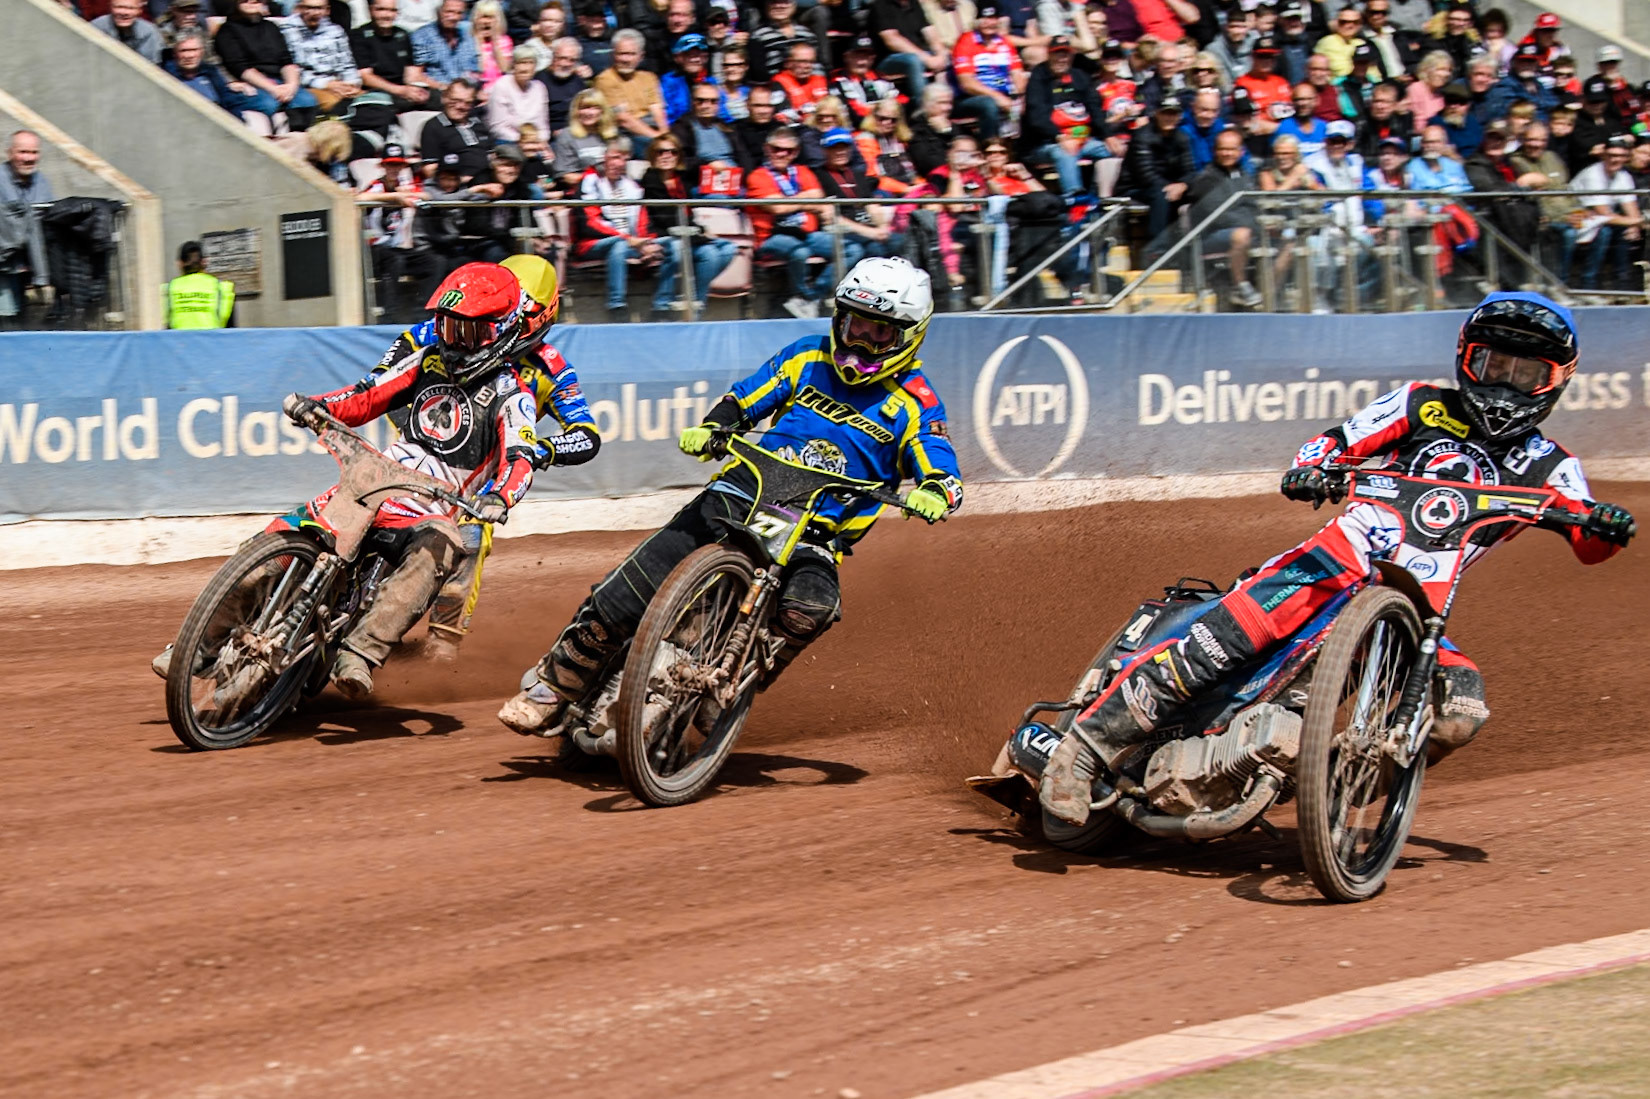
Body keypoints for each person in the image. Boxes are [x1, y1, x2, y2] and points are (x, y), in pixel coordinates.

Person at [1039, 292, 1637, 826]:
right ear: (1466, 357)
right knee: (1217, 643)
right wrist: (1315, 467)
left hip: (1415, 611)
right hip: (1334, 560)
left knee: (1460, 711)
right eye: (1492, 365)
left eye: (1524, 372)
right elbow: (1334, 441)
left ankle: (1329, 792)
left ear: (1555, 380)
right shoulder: (1419, 403)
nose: (1504, 384)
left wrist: (1603, 523)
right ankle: (1080, 753)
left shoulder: (1552, 467)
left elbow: (1589, 541)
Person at [497, 255, 964, 736]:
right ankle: (555, 684)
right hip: (743, 493)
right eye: (854, 325)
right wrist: (714, 427)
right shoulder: (807, 355)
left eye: (878, 333)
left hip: (815, 535)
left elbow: (937, 455)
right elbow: (745, 398)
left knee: (812, 609)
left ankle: (735, 683)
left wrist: (936, 489)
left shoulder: (916, 401)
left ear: (910, 335)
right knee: (634, 585)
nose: (860, 340)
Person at [273, 264, 549, 699]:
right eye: (447, 326)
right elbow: (366, 395)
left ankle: (361, 653)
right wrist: (318, 405)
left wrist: (501, 496)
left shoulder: (513, 394)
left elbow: (520, 456)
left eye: (468, 331)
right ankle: (206, 639)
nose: (454, 339)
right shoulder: (423, 361)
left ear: (501, 331)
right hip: (376, 483)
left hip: (431, 509)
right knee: (287, 530)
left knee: (443, 547)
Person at [414, 253, 601, 661]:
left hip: (480, 484)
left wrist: (538, 449)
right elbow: (390, 373)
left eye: (518, 311)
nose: (505, 320)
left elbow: (586, 436)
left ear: (539, 316)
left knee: (469, 540)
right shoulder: (443, 327)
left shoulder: (549, 368)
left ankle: (442, 643)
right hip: (419, 453)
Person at [638, 137, 740, 317]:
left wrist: (712, 163)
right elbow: (666, 220)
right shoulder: (650, 181)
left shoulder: (681, 180)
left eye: (673, 152)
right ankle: (662, 305)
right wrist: (702, 234)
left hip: (688, 234)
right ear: (652, 156)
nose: (667, 156)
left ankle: (695, 303)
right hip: (663, 235)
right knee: (686, 249)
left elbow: (697, 161)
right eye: (661, 152)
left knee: (727, 248)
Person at [746, 129, 841, 317]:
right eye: (776, 149)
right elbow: (777, 209)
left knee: (848, 248)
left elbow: (819, 198)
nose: (781, 153)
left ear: (796, 152)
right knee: (799, 252)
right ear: (767, 149)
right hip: (771, 237)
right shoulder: (757, 176)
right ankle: (803, 294)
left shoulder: (803, 171)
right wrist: (806, 201)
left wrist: (787, 201)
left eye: (788, 150)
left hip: (806, 233)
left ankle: (810, 297)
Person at [216, 0, 319, 130]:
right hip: (250, 83)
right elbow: (240, 68)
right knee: (269, 103)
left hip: (279, 81)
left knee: (307, 100)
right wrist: (274, 89)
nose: (252, 1)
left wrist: (291, 87)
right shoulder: (227, 31)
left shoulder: (271, 27)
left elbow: (286, 61)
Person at [351, 0, 437, 135]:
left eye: (392, 10)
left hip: (402, 90)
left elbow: (412, 74)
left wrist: (417, 90)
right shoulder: (359, 35)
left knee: (442, 99)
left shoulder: (402, 35)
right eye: (381, 10)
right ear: (370, 10)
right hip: (377, 92)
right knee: (383, 108)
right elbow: (366, 77)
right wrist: (401, 91)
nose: (387, 15)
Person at [1570, 134, 1640, 291]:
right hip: (1576, 217)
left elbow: (1631, 207)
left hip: (1598, 221)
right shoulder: (1593, 174)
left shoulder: (1623, 176)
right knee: (1605, 232)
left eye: (1621, 156)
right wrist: (1637, 221)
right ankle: (1588, 284)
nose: (1616, 160)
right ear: (1604, 155)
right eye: (1612, 155)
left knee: (1623, 231)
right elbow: (1603, 213)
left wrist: (1634, 226)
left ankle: (1623, 283)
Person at [0, 131, 54, 327]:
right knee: (6, 323)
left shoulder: (42, 182)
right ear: (10, 153)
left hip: (30, 269)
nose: (28, 158)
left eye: (33, 152)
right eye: (22, 152)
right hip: (5, 268)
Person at [1120, 97, 1194, 238]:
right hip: (1135, 188)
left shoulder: (1182, 137)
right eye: (1165, 113)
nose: (1169, 117)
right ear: (1157, 113)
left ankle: (1195, 244)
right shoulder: (1142, 136)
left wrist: (1183, 184)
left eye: (1173, 114)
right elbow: (1146, 175)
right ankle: (1157, 246)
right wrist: (1172, 187)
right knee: (1160, 195)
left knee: (1198, 191)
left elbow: (1189, 170)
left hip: (1169, 187)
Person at [951, 2, 1026, 139]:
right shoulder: (966, 41)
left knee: (1031, 100)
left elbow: (1017, 73)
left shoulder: (1005, 42)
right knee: (989, 104)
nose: (988, 22)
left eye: (993, 18)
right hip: (971, 98)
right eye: (984, 18)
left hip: (1006, 94)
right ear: (977, 21)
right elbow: (967, 83)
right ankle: (991, 146)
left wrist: (1019, 97)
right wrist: (998, 97)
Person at [280, 0, 363, 114]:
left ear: (327, 10)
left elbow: (347, 63)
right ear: (300, 8)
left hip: (340, 83)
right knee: (338, 105)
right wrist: (327, 84)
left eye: (319, 8)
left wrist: (351, 84)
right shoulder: (287, 30)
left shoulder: (336, 31)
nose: (314, 13)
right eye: (309, 8)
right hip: (309, 86)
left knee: (370, 101)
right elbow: (294, 69)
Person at [596, 29, 669, 152]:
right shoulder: (605, 79)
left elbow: (658, 110)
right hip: (628, 133)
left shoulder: (649, 77)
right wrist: (658, 139)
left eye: (631, 54)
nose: (626, 59)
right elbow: (623, 119)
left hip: (653, 130)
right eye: (622, 54)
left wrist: (666, 135)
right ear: (613, 55)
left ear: (641, 56)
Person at [419, 79, 494, 180]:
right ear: (444, 98)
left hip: (490, 181)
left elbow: (492, 156)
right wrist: (459, 182)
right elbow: (430, 169)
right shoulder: (433, 127)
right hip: (460, 188)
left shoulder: (478, 123)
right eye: (455, 101)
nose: (460, 106)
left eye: (467, 103)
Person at [166, 29, 248, 118]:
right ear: (174, 54)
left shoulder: (211, 72)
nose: (189, 56)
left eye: (194, 50)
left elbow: (229, 101)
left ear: (201, 52)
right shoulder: (166, 76)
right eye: (184, 51)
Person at [410, 0, 483, 91]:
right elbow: (415, 75)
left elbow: (476, 70)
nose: (454, 17)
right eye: (449, 12)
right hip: (438, 92)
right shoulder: (423, 36)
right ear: (439, 12)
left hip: (468, 92)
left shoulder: (467, 34)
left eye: (459, 13)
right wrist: (446, 89)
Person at [553, 88, 619, 185]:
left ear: (602, 111)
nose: (589, 113)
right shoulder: (566, 136)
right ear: (576, 111)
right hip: (584, 190)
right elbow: (566, 176)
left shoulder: (613, 135)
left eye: (595, 108)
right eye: (584, 107)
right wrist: (597, 180)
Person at [164, 240, 235, 328]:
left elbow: (164, 328)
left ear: (180, 263)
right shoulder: (222, 289)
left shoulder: (169, 289)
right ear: (204, 262)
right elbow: (232, 333)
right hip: (212, 341)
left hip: (178, 341)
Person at [489, 52, 550, 141]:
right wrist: (523, 140)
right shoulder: (502, 85)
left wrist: (541, 141)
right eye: (520, 63)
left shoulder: (540, 88)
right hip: (509, 141)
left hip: (536, 142)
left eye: (529, 63)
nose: (524, 68)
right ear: (513, 66)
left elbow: (543, 127)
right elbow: (497, 127)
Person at [535, 36, 587, 133]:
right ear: (553, 57)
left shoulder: (579, 80)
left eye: (572, 60)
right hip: (549, 134)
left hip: (577, 130)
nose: (566, 64)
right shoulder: (539, 81)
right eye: (562, 58)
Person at [92, 0, 166, 64]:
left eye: (131, 8)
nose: (124, 13)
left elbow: (151, 67)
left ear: (139, 11)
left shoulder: (149, 32)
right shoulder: (97, 26)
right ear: (110, 8)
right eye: (119, 7)